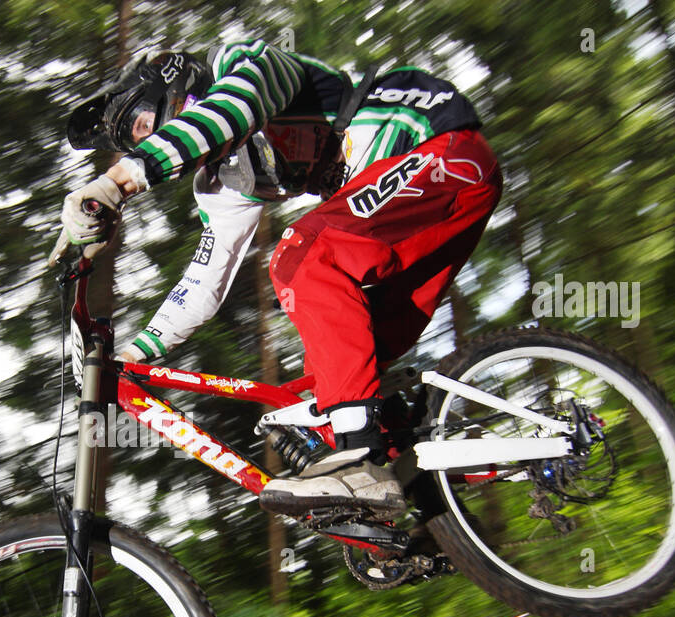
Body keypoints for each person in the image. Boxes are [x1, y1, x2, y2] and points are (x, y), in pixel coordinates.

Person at [51, 40, 503, 517]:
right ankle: (428, 506)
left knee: (304, 259)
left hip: (437, 147)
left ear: (171, 83)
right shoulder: (223, 180)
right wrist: (130, 358)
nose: (147, 138)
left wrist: (120, 180)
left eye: (143, 123)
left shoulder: (247, 65)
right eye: (138, 139)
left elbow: (232, 111)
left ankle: (361, 464)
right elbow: (206, 278)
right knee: (338, 373)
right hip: (429, 207)